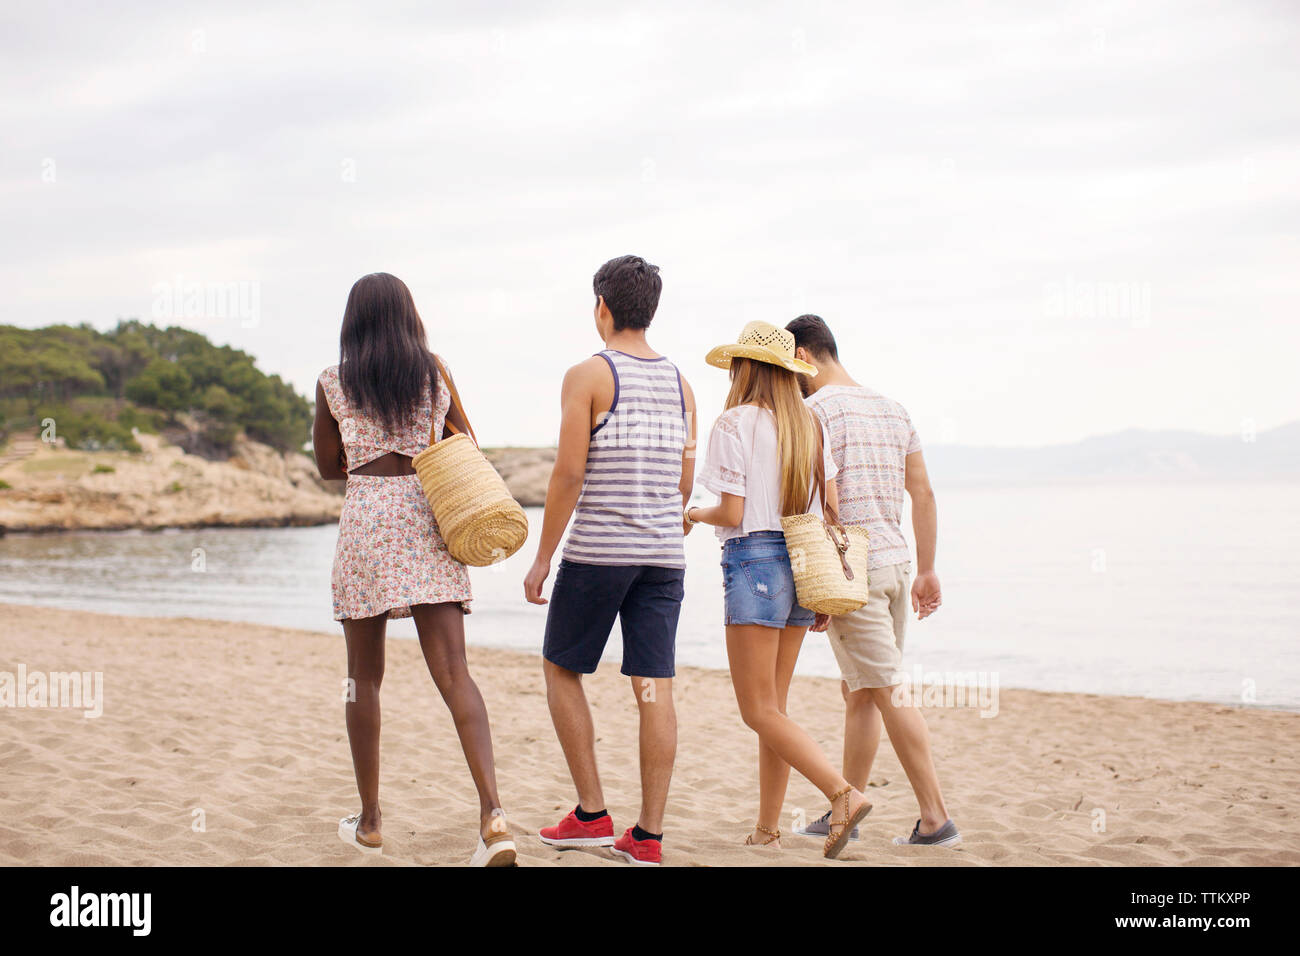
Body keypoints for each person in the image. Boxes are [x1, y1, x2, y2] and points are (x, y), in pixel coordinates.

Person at [313, 272, 516, 866]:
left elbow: (330, 467)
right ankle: (494, 816)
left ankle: (371, 821)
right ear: (409, 316)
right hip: (429, 515)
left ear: (352, 323)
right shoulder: (434, 371)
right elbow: (466, 442)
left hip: (369, 523)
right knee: (456, 672)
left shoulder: (333, 381)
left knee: (363, 678)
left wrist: (361, 442)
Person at [524, 255, 696, 867]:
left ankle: (593, 814)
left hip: (599, 553)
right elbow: (684, 477)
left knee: (561, 670)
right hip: (663, 558)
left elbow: (569, 473)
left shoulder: (588, 375)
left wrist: (543, 557)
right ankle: (647, 836)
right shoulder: (682, 384)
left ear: (602, 307)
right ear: (650, 311)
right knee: (654, 688)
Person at [687, 320, 873, 860]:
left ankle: (842, 794)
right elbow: (834, 513)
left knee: (757, 710)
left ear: (745, 368)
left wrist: (692, 514)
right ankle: (768, 828)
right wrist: (822, 593)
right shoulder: (811, 425)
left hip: (755, 560)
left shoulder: (735, 422)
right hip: (803, 562)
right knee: (776, 707)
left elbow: (731, 512)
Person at [786, 314, 959, 848]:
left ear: (804, 358)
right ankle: (846, 812)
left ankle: (935, 819)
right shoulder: (893, 408)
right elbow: (923, 493)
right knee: (860, 691)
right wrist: (927, 569)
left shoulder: (812, 411)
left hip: (851, 569)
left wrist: (813, 582)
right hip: (897, 565)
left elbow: (812, 501)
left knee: (885, 688)